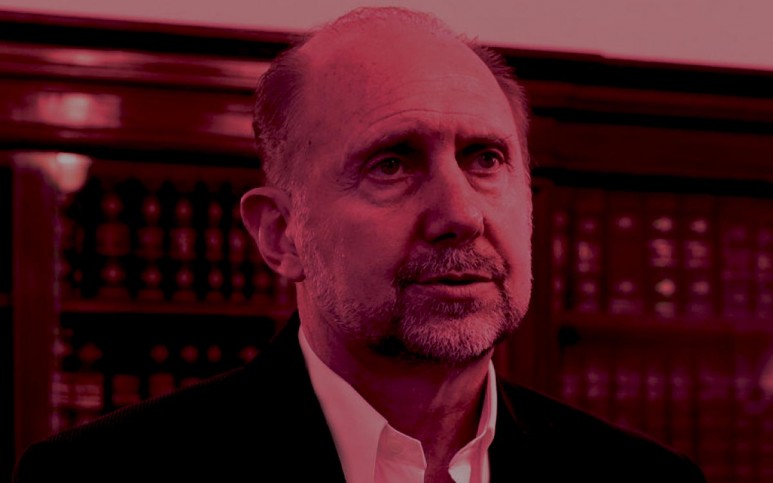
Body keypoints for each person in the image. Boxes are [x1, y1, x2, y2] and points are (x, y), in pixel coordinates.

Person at [14, 7, 705, 483]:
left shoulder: (645, 480)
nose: (459, 213)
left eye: (485, 158)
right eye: (391, 164)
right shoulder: (95, 479)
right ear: (280, 234)